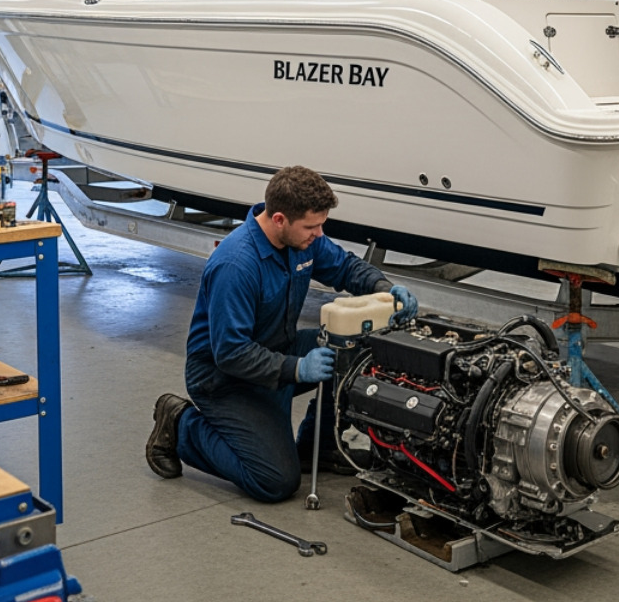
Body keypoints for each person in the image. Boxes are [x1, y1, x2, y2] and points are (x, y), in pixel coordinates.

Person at [144, 165, 418, 502]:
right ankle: (181, 424)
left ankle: (317, 447)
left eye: (321, 225)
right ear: (278, 220)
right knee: (275, 481)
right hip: (224, 380)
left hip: (278, 349)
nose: (318, 234)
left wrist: (384, 289)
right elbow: (230, 352)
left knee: (351, 349)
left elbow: (344, 267)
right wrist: (296, 369)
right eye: (311, 226)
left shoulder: (303, 240)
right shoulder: (236, 265)